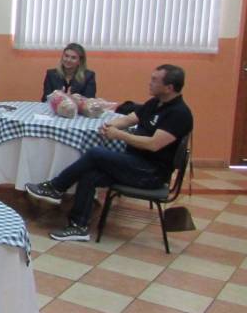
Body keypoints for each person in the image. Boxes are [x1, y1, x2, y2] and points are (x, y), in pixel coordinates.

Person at [26, 64, 192, 242]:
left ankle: (56, 187)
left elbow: (153, 145)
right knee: (89, 174)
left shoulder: (179, 113)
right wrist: (110, 126)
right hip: (134, 161)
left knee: (96, 153)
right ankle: (78, 226)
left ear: (169, 87)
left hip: (150, 173)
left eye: (154, 80)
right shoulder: (155, 103)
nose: (149, 83)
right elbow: (129, 119)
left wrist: (119, 135)